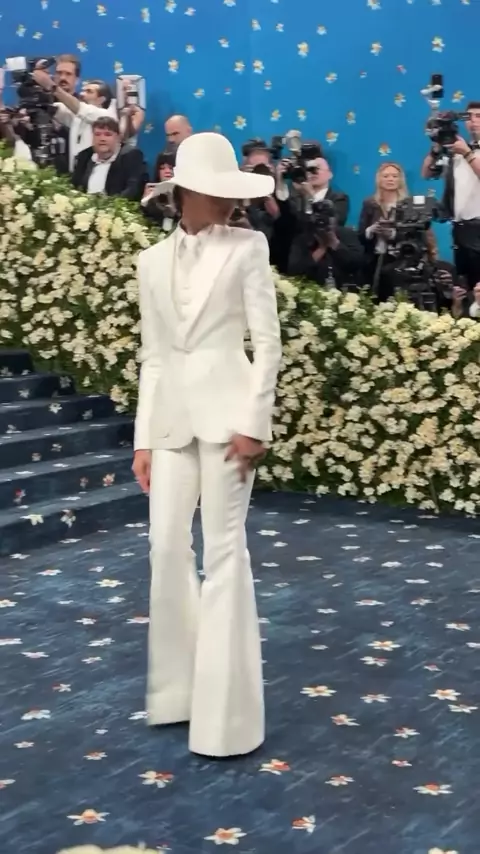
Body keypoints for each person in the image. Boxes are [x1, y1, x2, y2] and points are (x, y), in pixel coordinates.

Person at [132, 132, 282, 758]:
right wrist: (143, 439)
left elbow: (267, 343)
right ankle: (178, 694)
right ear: (186, 192)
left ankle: (228, 722)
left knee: (223, 555)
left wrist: (255, 422)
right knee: (166, 548)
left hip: (229, 422)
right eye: (217, 191)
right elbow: (153, 356)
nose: (228, 202)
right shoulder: (149, 262)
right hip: (169, 425)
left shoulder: (249, 247)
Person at [357, 162, 409, 300]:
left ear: (400, 180)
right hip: (373, 259)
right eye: (386, 176)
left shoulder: (407, 205)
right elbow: (360, 234)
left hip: (398, 260)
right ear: (379, 179)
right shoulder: (370, 203)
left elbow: (412, 235)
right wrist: (371, 230)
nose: (390, 179)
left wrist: (392, 234)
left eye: (394, 176)